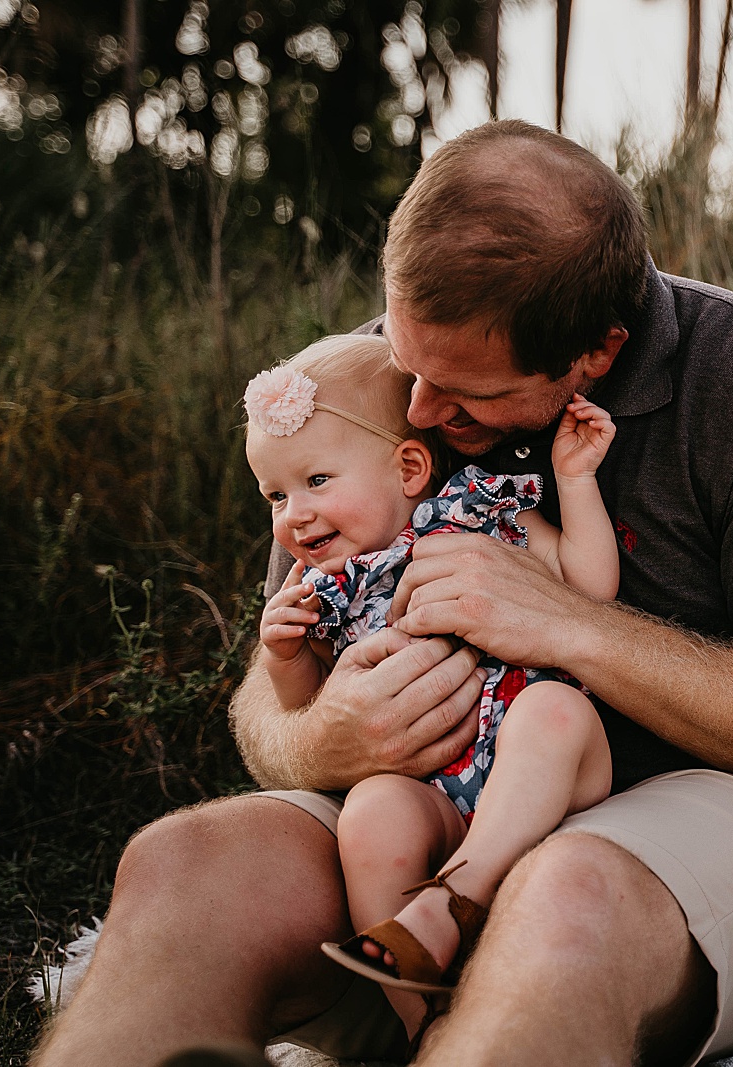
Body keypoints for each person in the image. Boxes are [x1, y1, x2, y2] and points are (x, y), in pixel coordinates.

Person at [32, 120, 733, 1067]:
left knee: (563, 896)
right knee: (183, 867)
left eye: (464, 395)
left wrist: (576, 626)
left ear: (598, 352)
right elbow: (270, 676)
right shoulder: (372, 376)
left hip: (694, 826)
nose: (416, 412)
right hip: (429, 800)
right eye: (411, 365)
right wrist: (317, 736)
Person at [241, 334, 620, 1038]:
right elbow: (310, 713)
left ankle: (453, 902)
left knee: (553, 709)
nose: (292, 513)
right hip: (439, 797)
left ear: (410, 465)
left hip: (549, 776)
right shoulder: (325, 587)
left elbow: (591, 587)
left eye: (316, 481)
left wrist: (575, 481)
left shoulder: (475, 508)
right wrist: (285, 656)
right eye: (275, 494)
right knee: (371, 812)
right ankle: (424, 1024)